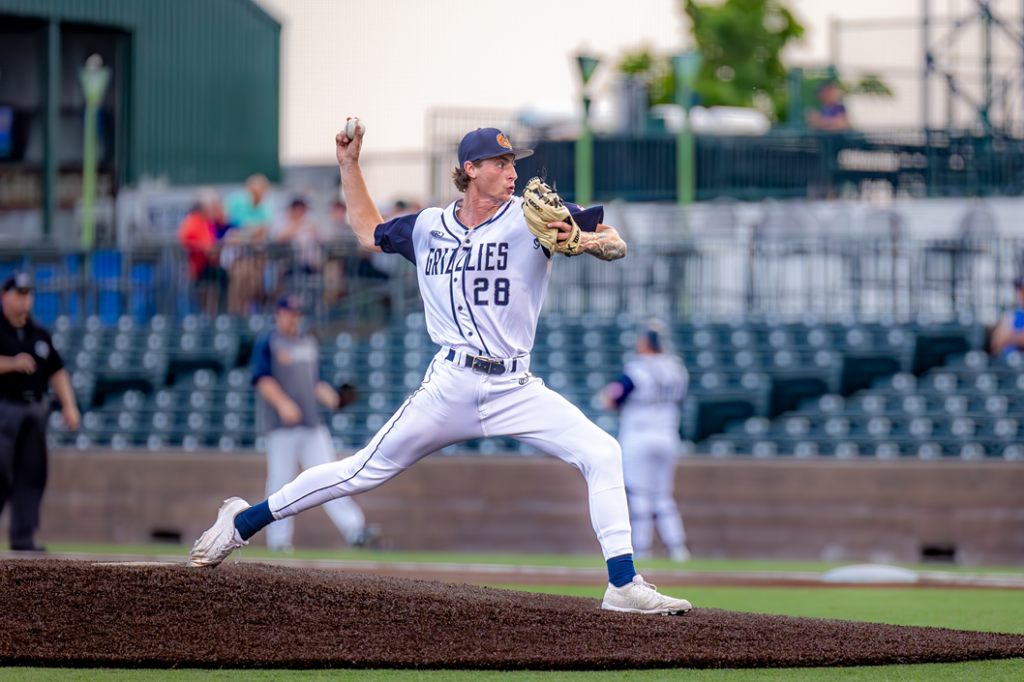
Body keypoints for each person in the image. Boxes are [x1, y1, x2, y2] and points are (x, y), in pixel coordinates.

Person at [188, 123, 692, 616]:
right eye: (499, 163)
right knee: (361, 471)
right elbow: (367, 230)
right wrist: (349, 165)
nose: (511, 171)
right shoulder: (428, 226)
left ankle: (622, 584)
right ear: (469, 169)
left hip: (514, 385)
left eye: (512, 161)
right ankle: (242, 522)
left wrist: (591, 243)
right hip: (449, 383)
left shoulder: (532, 218)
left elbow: (611, 238)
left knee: (602, 451)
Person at [0, 271, 80, 551]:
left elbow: (57, 372)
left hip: (34, 409)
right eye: (20, 294)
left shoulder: (39, 335)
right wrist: (11, 363)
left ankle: (23, 538)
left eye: (29, 295)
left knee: (31, 474)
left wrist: (69, 405)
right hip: (3, 408)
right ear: (4, 296)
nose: (25, 301)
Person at [601, 320, 691, 563]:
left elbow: (611, 398)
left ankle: (641, 548)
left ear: (645, 342)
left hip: (639, 435)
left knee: (640, 494)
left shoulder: (637, 368)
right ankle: (678, 548)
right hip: (668, 434)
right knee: (663, 494)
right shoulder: (677, 368)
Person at [224, 174, 274, 315]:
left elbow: (264, 230)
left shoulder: (264, 207)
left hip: (256, 259)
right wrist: (249, 232)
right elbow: (231, 228)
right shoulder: (236, 201)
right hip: (237, 259)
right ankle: (235, 315)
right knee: (240, 282)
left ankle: (248, 315)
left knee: (255, 285)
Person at [178, 188, 229, 316]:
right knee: (223, 277)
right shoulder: (194, 221)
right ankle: (221, 314)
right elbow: (205, 247)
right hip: (198, 268)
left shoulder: (204, 222)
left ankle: (218, 313)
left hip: (205, 266)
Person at [990, 276, 1024, 357]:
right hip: (1010, 364)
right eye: (1020, 290)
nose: (1021, 293)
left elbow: (1005, 338)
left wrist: (1011, 337)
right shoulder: (1014, 315)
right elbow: (997, 343)